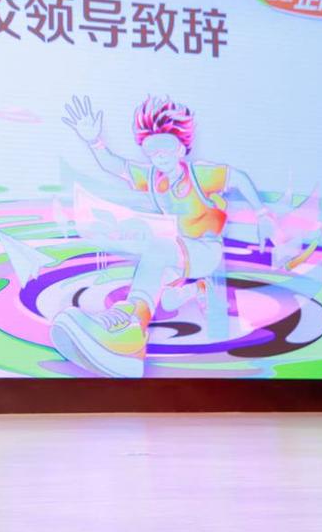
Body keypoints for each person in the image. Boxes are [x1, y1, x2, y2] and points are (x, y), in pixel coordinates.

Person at [50, 95, 274, 378]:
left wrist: (262, 214)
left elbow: (238, 178)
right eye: (151, 149)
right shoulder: (154, 178)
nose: (159, 155)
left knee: (157, 251)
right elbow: (116, 166)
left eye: (165, 146)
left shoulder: (200, 174)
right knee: (165, 297)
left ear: (180, 147)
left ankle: (129, 328)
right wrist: (95, 141)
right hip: (180, 253)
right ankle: (135, 337)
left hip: (206, 250)